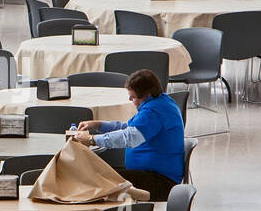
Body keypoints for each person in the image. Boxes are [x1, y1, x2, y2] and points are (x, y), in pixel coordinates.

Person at [69, 69, 184, 201]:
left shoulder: (154, 112)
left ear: (147, 95)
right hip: (152, 174)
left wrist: (91, 140)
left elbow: (130, 137)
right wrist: (99, 124)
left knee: (96, 179)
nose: (130, 99)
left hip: (160, 181)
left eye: (133, 97)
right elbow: (130, 128)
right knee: (101, 174)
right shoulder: (160, 103)